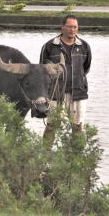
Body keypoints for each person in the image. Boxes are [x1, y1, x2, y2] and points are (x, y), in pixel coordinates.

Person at [39, 14, 92, 150]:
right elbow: (42, 70)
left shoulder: (84, 46)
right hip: (55, 93)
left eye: (75, 27)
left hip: (78, 93)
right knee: (52, 125)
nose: (72, 30)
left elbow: (85, 68)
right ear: (62, 27)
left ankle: (77, 155)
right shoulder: (50, 46)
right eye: (69, 27)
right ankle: (45, 155)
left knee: (77, 125)